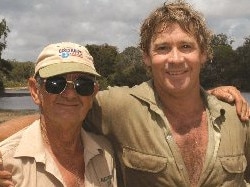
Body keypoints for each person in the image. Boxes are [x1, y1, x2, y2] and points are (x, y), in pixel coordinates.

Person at [0, 1, 250, 187]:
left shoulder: (236, 116)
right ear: (146, 57)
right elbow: (60, 114)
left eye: (186, 46)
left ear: (204, 53)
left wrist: (216, 93)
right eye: (162, 48)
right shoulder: (121, 106)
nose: (175, 58)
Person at [0, 42, 117, 187]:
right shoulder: (6, 163)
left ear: (93, 93)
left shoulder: (106, 153)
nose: (70, 94)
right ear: (35, 91)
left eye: (83, 84)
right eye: (55, 83)